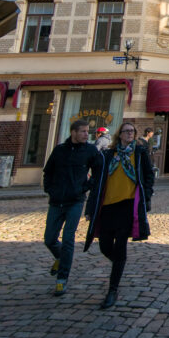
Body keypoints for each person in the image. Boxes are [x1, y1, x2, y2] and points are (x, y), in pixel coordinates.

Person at [84, 122, 154, 309]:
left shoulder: (139, 153)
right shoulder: (108, 155)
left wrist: (146, 197)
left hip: (128, 206)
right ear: (120, 135)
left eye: (132, 131)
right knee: (105, 246)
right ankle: (119, 265)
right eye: (126, 131)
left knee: (120, 245)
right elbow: (97, 179)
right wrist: (90, 205)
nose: (130, 134)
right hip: (107, 206)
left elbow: (148, 175)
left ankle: (112, 289)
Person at [42, 119, 102, 296]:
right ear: (73, 132)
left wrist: (85, 187)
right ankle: (60, 258)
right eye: (83, 131)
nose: (86, 134)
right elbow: (48, 171)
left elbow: (99, 171)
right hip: (56, 200)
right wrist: (50, 189)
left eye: (87, 132)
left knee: (69, 239)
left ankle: (62, 279)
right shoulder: (60, 150)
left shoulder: (90, 150)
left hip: (76, 201)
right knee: (49, 239)